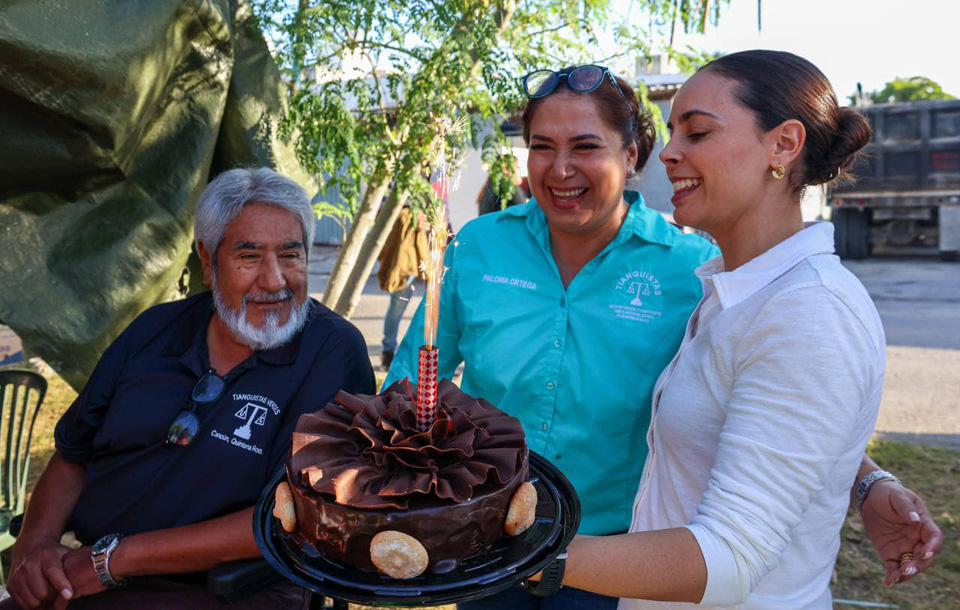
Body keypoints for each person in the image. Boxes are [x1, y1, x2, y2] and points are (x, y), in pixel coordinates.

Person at [385, 63, 942, 608]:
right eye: (540, 146)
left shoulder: (701, 273)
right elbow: (761, 416)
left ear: (629, 157)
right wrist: (862, 478)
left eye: (585, 146)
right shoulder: (723, 284)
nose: (558, 169)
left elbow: (747, 515)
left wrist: (858, 475)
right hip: (492, 541)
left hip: (627, 559)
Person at [5, 168, 375, 609]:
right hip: (81, 570)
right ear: (207, 261)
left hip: (215, 591)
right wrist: (36, 545)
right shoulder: (154, 332)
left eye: (291, 256)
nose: (275, 281)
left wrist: (115, 560)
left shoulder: (332, 353)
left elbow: (296, 513)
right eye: (249, 257)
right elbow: (73, 455)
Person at [377, 206, 429, 370]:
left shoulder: (411, 210)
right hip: (408, 266)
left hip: (414, 264)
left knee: (402, 309)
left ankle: (389, 351)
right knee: (398, 308)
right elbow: (402, 245)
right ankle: (388, 351)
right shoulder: (407, 212)